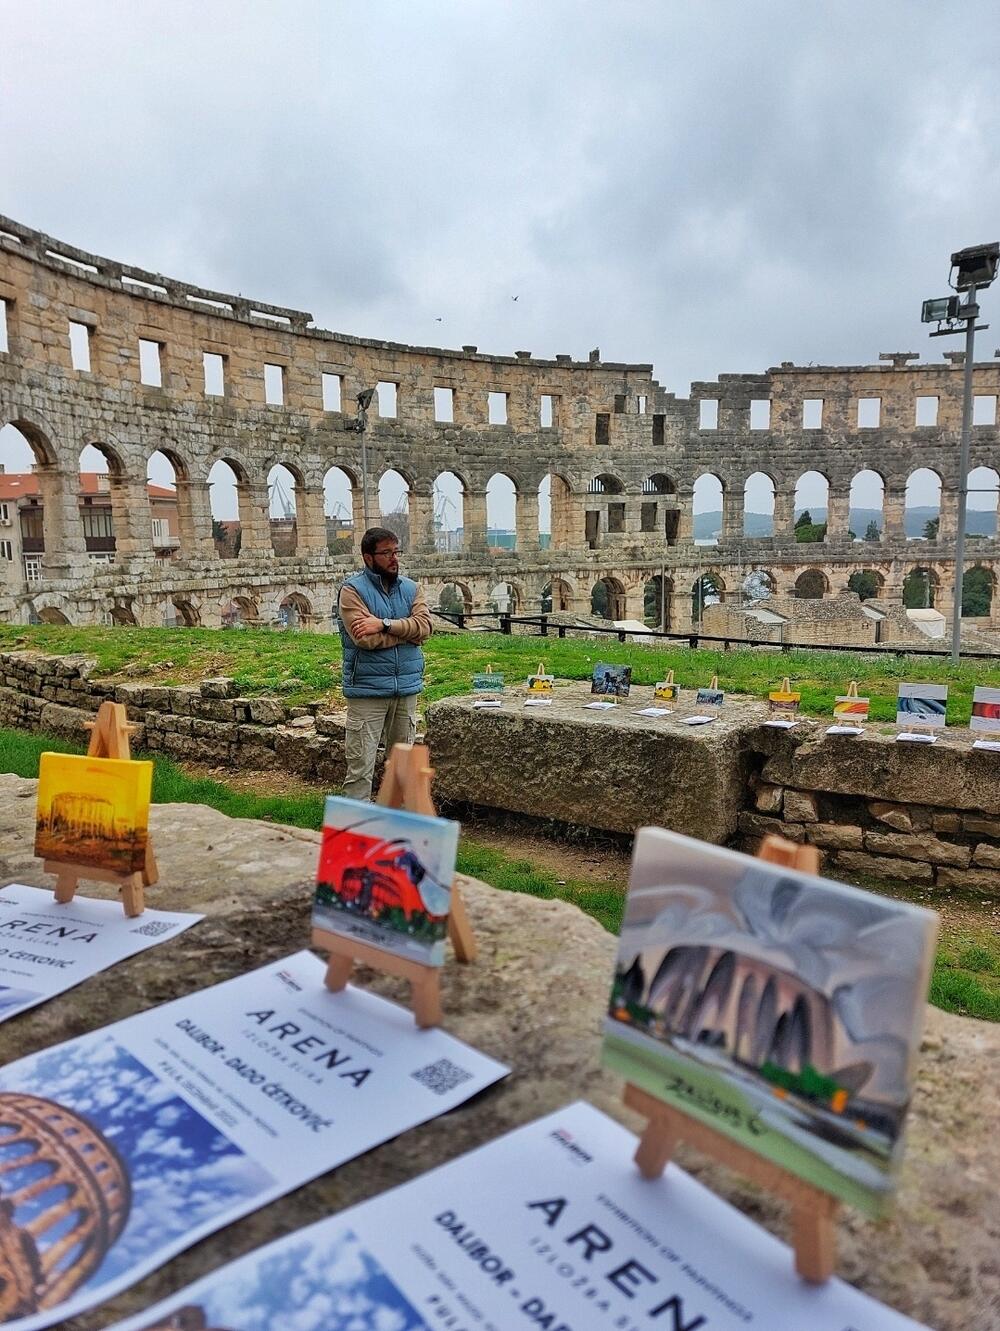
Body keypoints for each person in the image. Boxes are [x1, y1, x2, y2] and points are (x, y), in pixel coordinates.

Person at [337, 526, 433, 800]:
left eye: (396, 551)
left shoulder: (412, 588)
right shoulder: (352, 591)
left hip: (406, 688)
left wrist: (383, 624)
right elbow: (363, 640)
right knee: (359, 770)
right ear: (368, 558)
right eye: (386, 553)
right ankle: (355, 837)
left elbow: (425, 628)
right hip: (367, 690)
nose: (394, 558)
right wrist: (408, 635)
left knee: (403, 770)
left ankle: (396, 832)